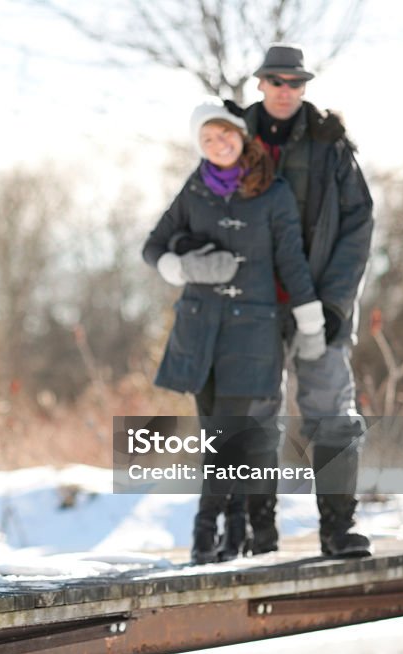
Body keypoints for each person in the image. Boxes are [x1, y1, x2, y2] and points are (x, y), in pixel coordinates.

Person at [142, 98, 326, 564]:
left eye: (223, 133)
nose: (217, 143)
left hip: (253, 333)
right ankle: (237, 532)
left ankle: (206, 538)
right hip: (200, 331)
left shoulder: (274, 192)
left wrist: (309, 315)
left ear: (241, 135)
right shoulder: (195, 189)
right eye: (206, 138)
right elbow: (153, 247)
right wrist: (184, 265)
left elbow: (291, 261)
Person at [230, 44, 375, 558]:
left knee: (332, 412)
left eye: (295, 82)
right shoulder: (231, 138)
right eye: (276, 81)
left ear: (304, 87)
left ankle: (339, 529)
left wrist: (335, 305)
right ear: (261, 84)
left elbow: (358, 225)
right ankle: (257, 535)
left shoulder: (329, 144)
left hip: (320, 306)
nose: (285, 90)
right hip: (253, 308)